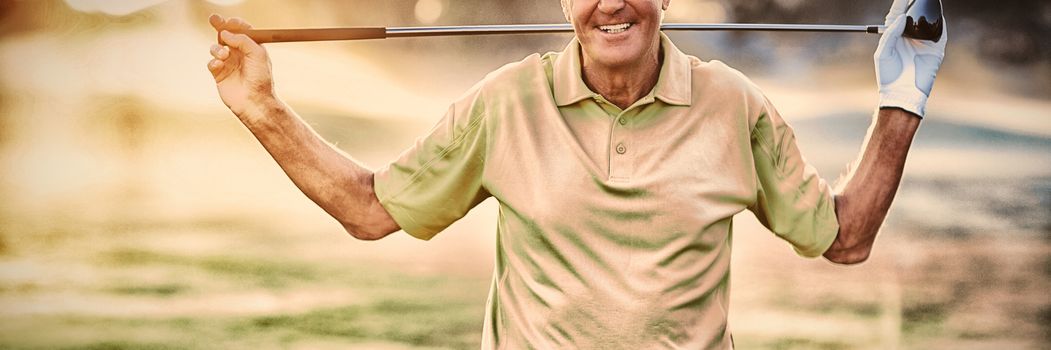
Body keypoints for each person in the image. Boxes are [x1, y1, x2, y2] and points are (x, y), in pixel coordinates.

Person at [206, 0, 945, 348]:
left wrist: (901, 98)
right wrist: (259, 104)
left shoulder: (732, 105)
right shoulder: (503, 102)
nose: (612, 1)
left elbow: (842, 239)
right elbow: (370, 212)